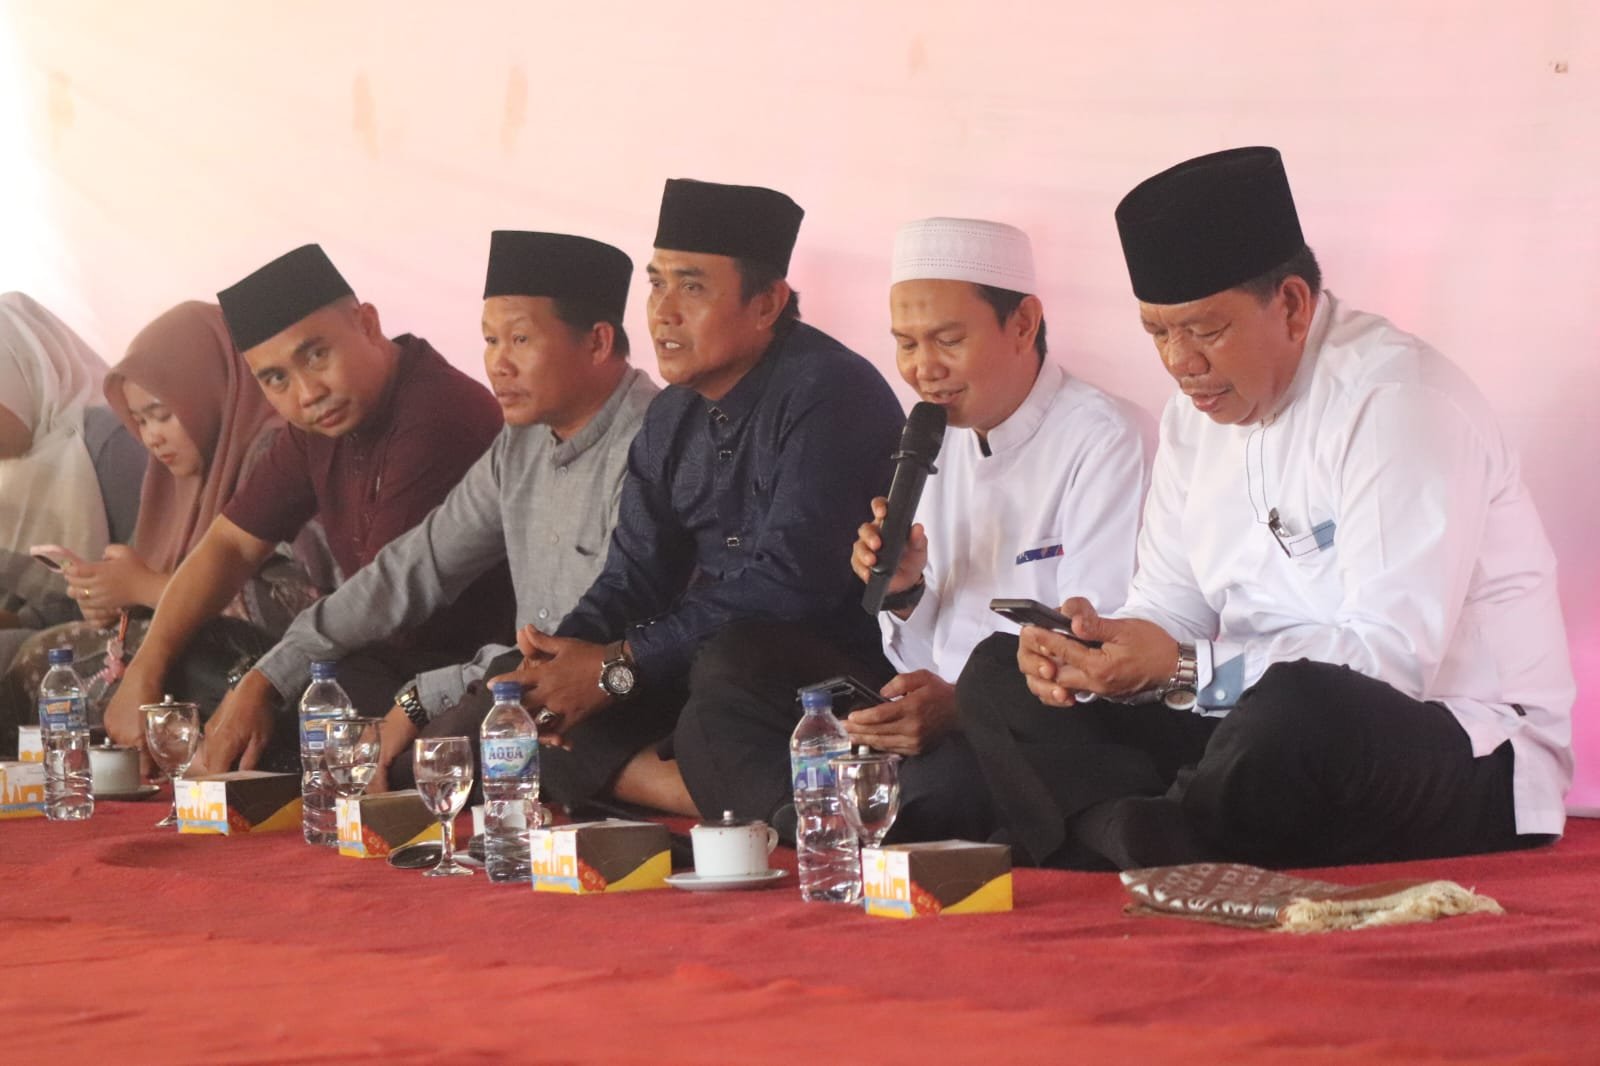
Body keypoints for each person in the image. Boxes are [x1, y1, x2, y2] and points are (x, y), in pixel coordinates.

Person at [957, 146, 1574, 871]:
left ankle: (1114, 828)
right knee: (998, 673)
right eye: (1158, 332)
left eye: (1205, 330)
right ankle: (1159, 832)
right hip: (1242, 726)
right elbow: (1169, 605)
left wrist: (1184, 669)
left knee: (1297, 709)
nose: (1180, 362)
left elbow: (1391, 664)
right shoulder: (1194, 416)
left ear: (1291, 305)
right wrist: (1099, 654)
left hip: (1459, 747)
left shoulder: (1398, 403)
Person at [673, 217, 1149, 842]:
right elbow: (918, 657)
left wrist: (960, 705)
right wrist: (904, 593)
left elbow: (1092, 648)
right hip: (929, 711)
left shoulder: (1104, 438)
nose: (924, 369)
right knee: (726, 686)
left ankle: (826, 819)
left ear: (1023, 323)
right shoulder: (930, 437)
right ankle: (836, 818)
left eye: (947, 340)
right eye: (906, 344)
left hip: (1035, 721)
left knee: (957, 764)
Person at [453, 178, 903, 817]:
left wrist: (617, 667)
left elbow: (791, 587)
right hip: (699, 667)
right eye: (657, 284)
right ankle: (716, 793)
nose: (662, 312)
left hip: (822, 678)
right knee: (508, 696)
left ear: (766, 303)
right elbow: (632, 578)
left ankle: (778, 798)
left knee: (728, 669)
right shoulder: (671, 417)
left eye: (691, 288)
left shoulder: (832, 393)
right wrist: (560, 663)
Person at [204, 231, 657, 789]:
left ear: (597, 342)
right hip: (511, 679)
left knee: (439, 750)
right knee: (334, 691)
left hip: (615, 684)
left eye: (519, 339)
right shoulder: (520, 443)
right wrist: (268, 675)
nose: (498, 364)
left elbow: (576, 647)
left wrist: (420, 700)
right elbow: (413, 568)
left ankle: (644, 780)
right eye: (490, 340)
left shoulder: (653, 442)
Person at [104, 244, 512, 769]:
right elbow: (230, 544)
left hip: (454, 676)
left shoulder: (437, 414)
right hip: (364, 655)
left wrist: (261, 683)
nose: (307, 392)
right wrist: (145, 670)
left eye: (316, 355)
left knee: (316, 694)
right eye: (276, 379)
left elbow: (385, 607)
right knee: (187, 652)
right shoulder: (318, 424)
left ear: (367, 324)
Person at [0, 302, 325, 747]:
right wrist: (107, 598)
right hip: (198, 660)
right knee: (42, 657)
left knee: (42, 662)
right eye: (140, 420)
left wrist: (145, 588)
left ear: (209, 393)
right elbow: (135, 583)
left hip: (283, 676)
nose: (151, 436)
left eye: (163, 414)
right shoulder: (172, 481)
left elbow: (298, 602)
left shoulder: (275, 457)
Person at [0, 293, 144, 670]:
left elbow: (150, 576)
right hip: (62, 636)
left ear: (26, 372)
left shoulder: (110, 442)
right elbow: (44, 610)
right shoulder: (12, 474)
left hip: (142, 630)